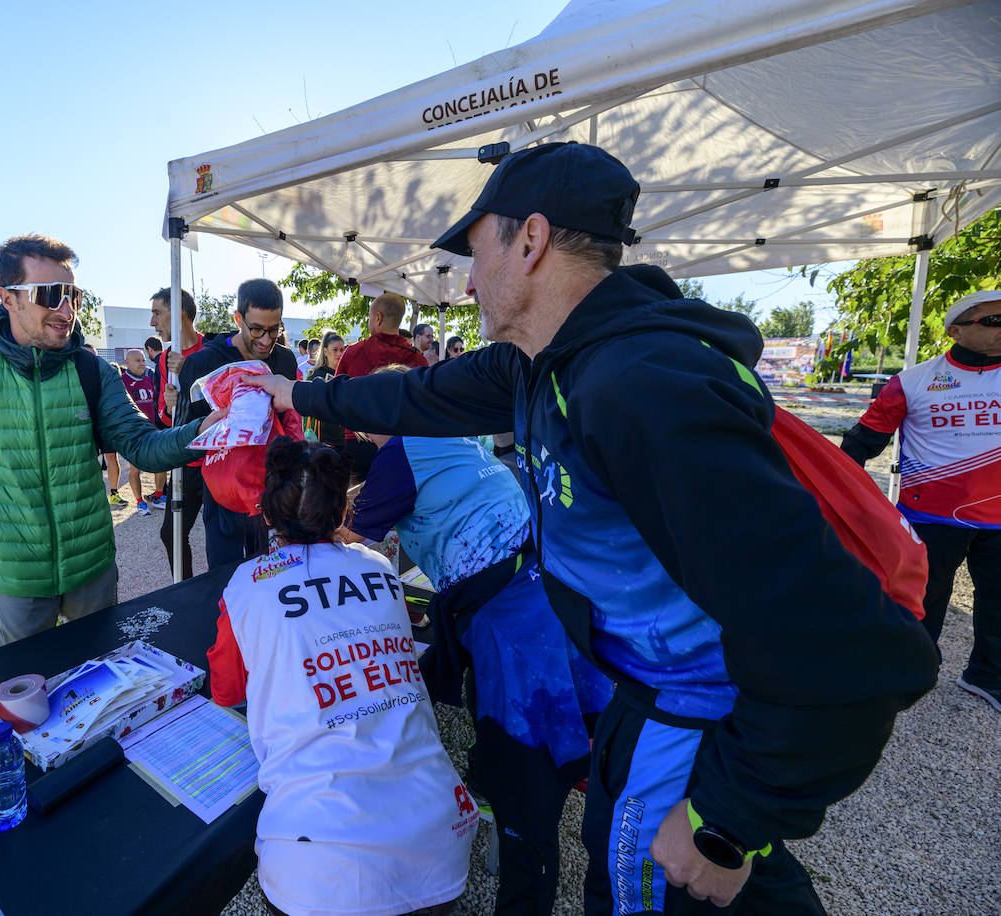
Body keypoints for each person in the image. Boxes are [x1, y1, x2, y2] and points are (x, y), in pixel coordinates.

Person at [246, 141, 939, 914]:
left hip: (699, 726)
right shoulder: (544, 363)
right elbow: (416, 397)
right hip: (643, 699)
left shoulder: (636, 386)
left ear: (531, 240)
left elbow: (854, 649)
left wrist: (728, 822)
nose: (468, 282)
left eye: (477, 252)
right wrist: (301, 393)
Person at [0, 234, 224, 648]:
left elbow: (142, 446)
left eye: (74, 295)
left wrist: (204, 430)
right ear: (8, 297)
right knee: (25, 696)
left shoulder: (94, 372)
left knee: (99, 684)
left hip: (92, 569)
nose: (67, 310)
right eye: (51, 295)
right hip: (14, 576)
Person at [341, 394, 604, 915]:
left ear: (385, 416)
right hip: (540, 585)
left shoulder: (398, 453)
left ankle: (524, 883)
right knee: (512, 727)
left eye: (367, 425)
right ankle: (501, 777)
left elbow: (348, 542)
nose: (363, 438)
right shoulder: (446, 436)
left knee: (527, 781)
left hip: (511, 622)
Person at [207, 438, 477, 916]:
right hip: (439, 832)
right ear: (342, 512)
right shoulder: (378, 566)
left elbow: (225, 690)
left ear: (268, 515)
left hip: (317, 858)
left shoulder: (248, 582)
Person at [841, 289, 1001, 713]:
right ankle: (914, 670)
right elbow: (861, 443)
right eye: (993, 321)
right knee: (921, 599)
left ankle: (987, 677)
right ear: (956, 330)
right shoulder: (911, 381)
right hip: (930, 516)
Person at [176, 277, 300, 568]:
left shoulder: (285, 360)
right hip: (223, 492)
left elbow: (290, 423)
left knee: (274, 571)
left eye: (274, 329)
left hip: (272, 488)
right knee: (226, 575)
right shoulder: (202, 363)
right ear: (238, 319)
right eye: (256, 329)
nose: (266, 340)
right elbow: (184, 435)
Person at [335, 293, 427, 479]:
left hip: (357, 443)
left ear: (378, 318)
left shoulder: (353, 352)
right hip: (403, 444)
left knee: (357, 501)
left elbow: (337, 397)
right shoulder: (418, 360)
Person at [150, 286, 204, 577]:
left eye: (158, 313)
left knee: (226, 534)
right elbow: (162, 414)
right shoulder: (163, 358)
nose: (152, 323)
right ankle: (186, 591)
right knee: (171, 533)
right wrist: (169, 407)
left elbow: (223, 404)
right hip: (184, 462)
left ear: (180, 313)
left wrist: (191, 370)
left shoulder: (213, 350)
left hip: (215, 461)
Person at [119, 349, 159, 515]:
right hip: (133, 433)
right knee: (135, 469)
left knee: (160, 465)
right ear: (127, 363)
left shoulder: (149, 379)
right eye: (137, 360)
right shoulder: (121, 382)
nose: (142, 363)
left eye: (143, 360)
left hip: (151, 430)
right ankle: (139, 502)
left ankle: (159, 496)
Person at [304, 332, 346, 450]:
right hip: (322, 437)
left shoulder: (346, 373)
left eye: (342, 349)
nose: (339, 353)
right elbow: (307, 404)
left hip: (344, 436)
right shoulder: (315, 374)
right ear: (326, 351)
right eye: (335, 350)